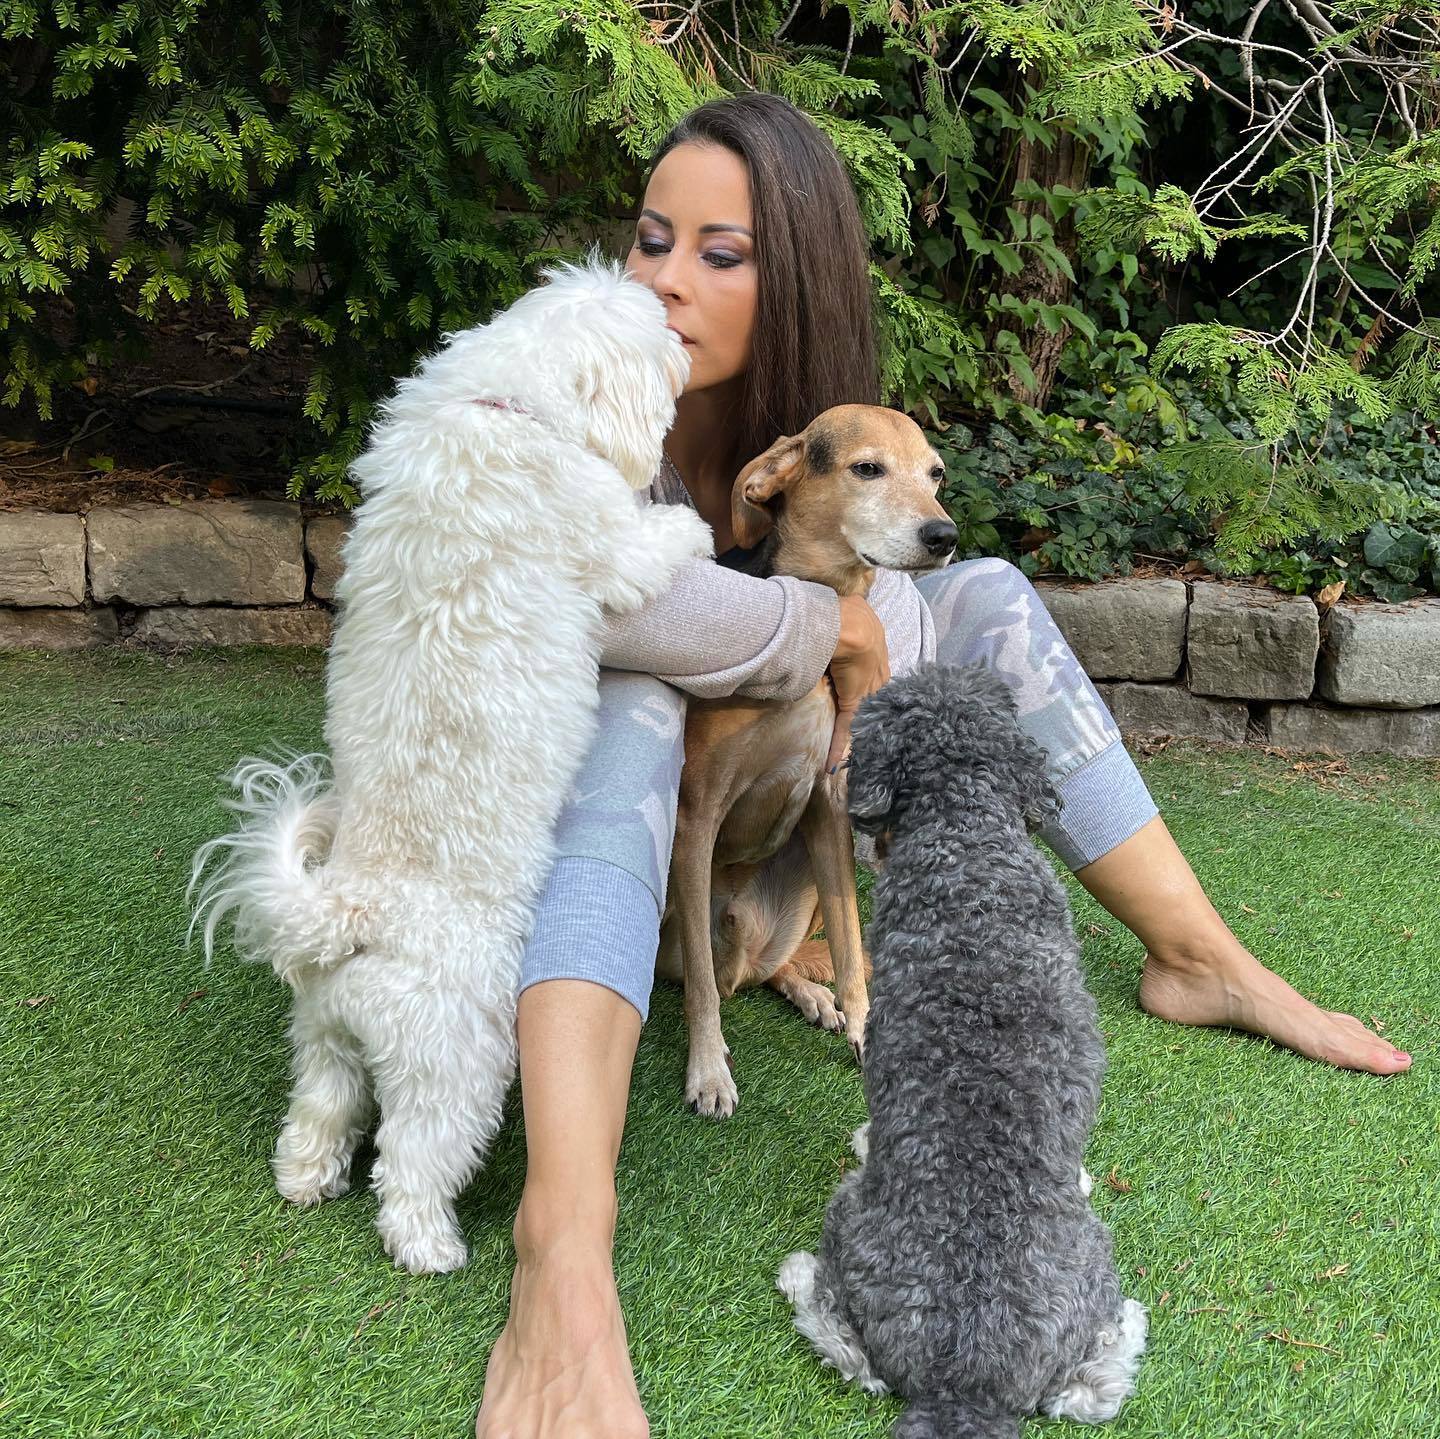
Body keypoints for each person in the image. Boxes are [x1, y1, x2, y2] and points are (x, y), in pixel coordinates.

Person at [474, 93, 1410, 1439]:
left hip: (765, 797)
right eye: (651, 238)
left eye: (720, 253)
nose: (667, 279)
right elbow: (591, 599)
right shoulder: (568, 383)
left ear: (794, 280)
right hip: (574, 795)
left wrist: (847, 629)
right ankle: (560, 1249)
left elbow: (897, 627)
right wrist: (821, 626)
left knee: (995, 598)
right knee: (638, 704)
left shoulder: (834, 431)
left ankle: (1200, 956)